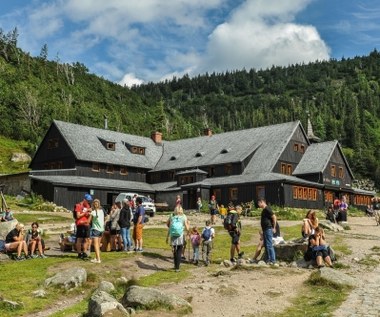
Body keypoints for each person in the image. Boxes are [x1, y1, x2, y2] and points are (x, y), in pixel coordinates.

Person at [166, 205, 190, 272]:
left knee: (175, 251)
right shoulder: (183, 216)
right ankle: (177, 268)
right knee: (179, 251)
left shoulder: (171, 215)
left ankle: (175, 265)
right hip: (180, 235)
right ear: (181, 210)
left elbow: (167, 224)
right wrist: (188, 226)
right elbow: (187, 228)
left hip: (173, 235)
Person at [258, 198, 276, 264]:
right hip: (265, 229)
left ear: (262, 202)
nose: (258, 205)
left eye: (259, 203)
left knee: (269, 244)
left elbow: (274, 217)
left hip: (268, 228)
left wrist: (274, 227)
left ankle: (273, 260)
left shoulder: (267, 208)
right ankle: (268, 259)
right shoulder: (264, 210)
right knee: (266, 244)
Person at [75, 193, 92, 259]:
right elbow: (78, 215)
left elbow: (88, 215)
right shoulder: (78, 205)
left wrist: (89, 213)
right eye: (88, 200)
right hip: (80, 224)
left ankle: (84, 252)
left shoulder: (87, 206)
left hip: (86, 224)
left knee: (86, 239)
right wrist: (86, 212)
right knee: (79, 239)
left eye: (89, 201)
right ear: (84, 199)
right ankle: (79, 253)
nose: (88, 202)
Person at [89, 199, 105, 263]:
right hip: (101, 229)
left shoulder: (93, 212)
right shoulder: (102, 211)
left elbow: (88, 221)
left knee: (95, 245)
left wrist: (88, 213)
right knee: (98, 244)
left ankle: (98, 259)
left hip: (96, 229)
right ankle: (96, 257)